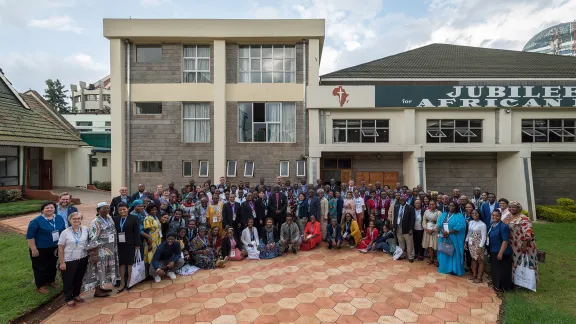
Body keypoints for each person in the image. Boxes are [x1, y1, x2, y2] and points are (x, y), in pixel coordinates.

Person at [26, 202, 66, 294]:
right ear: (42, 210)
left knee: (53, 265)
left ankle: (51, 281)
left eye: (51, 207)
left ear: (54, 209)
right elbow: (30, 236)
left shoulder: (59, 218)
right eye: (47, 208)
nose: (49, 209)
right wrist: (33, 249)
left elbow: (63, 231)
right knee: (40, 267)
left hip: (55, 247)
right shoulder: (36, 221)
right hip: (40, 248)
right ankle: (41, 285)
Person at [84, 202, 119, 297]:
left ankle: (102, 287)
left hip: (110, 250)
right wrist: (94, 254)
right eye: (104, 208)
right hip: (100, 251)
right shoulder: (95, 222)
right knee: (98, 269)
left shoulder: (109, 219)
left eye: (108, 208)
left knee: (105, 269)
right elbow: (93, 239)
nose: (106, 210)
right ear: (98, 210)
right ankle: (97, 291)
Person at [57, 212, 89, 306]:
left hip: (82, 257)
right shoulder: (65, 232)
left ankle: (76, 294)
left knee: (79, 277)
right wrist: (62, 262)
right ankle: (68, 298)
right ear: (69, 220)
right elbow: (60, 248)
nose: (76, 220)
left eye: (78, 218)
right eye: (74, 219)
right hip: (69, 259)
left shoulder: (86, 229)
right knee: (68, 279)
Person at [507, 201, 539, 285]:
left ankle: (528, 282)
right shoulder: (510, 217)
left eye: (514, 207)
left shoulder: (524, 218)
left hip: (523, 244)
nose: (511, 208)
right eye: (510, 207)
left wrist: (524, 246)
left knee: (525, 262)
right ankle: (516, 281)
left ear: (518, 208)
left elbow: (528, 233)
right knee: (515, 262)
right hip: (513, 244)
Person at [113, 202, 141, 292]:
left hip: (130, 244)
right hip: (120, 245)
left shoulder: (134, 218)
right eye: (120, 210)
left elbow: (137, 232)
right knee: (121, 264)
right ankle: (122, 284)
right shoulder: (116, 219)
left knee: (129, 263)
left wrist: (137, 244)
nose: (122, 211)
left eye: (124, 209)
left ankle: (129, 282)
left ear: (128, 209)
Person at [436, 202, 466, 276]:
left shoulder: (459, 216)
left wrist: (448, 232)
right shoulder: (444, 214)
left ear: (456, 207)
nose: (451, 207)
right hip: (444, 237)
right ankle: (445, 268)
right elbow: (439, 225)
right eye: (449, 205)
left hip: (454, 238)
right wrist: (443, 231)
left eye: (453, 206)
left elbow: (461, 227)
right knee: (444, 251)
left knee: (454, 253)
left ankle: (454, 269)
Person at [488, 210, 513, 292]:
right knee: (495, 269)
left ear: (500, 216)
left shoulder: (503, 227)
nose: (494, 217)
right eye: (493, 215)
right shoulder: (492, 224)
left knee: (502, 270)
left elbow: (505, 241)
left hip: (502, 251)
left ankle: (502, 287)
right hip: (493, 249)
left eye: (497, 216)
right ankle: (496, 284)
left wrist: (501, 253)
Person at [465, 209, 486, 283]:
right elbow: (469, 233)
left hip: (478, 244)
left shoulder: (482, 224)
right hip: (471, 244)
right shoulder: (470, 222)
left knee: (480, 260)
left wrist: (480, 247)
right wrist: (466, 242)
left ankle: (479, 278)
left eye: (476, 213)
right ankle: (474, 275)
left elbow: (484, 237)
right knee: (473, 259)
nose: (474, 214)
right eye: (473, 213)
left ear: (479, 214)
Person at [392, 196, 416, 262]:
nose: (402, 201)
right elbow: (395, 218)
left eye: (403, 200)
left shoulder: (410, 208)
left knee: (409, 243)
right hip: (398, 228)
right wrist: (394, 227)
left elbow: (412, 219)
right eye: (400, 200)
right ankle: (402, 255)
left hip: (407, 229)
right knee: (401, 242)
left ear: (406, 200)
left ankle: (410, 256)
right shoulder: (396, 207)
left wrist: (411, 229)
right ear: (399, 201)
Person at [143, 204, 162, 269]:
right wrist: (149, 243)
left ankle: (156, 269)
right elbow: (147, 230)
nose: (154, 211)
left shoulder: (155, 217)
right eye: (152, 210)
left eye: (155, 210)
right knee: (151, 255)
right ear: (148, 211)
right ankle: (152, 272)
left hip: (157, 239)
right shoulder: (147, 218)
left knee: (156, 255)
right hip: (151, 239)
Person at [422, 200, 441, 266]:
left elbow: (439, 223)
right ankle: (431, 258)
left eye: (433, 204)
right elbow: (424, 220)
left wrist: (433, 230)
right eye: (430, 204)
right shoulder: (426, 211)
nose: (431, 205)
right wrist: (425, 228)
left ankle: (438, 260)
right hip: (427, 231)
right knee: (429, 245)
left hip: (434, 231)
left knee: (436, 245)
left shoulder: (439, 212)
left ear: (436, 205)